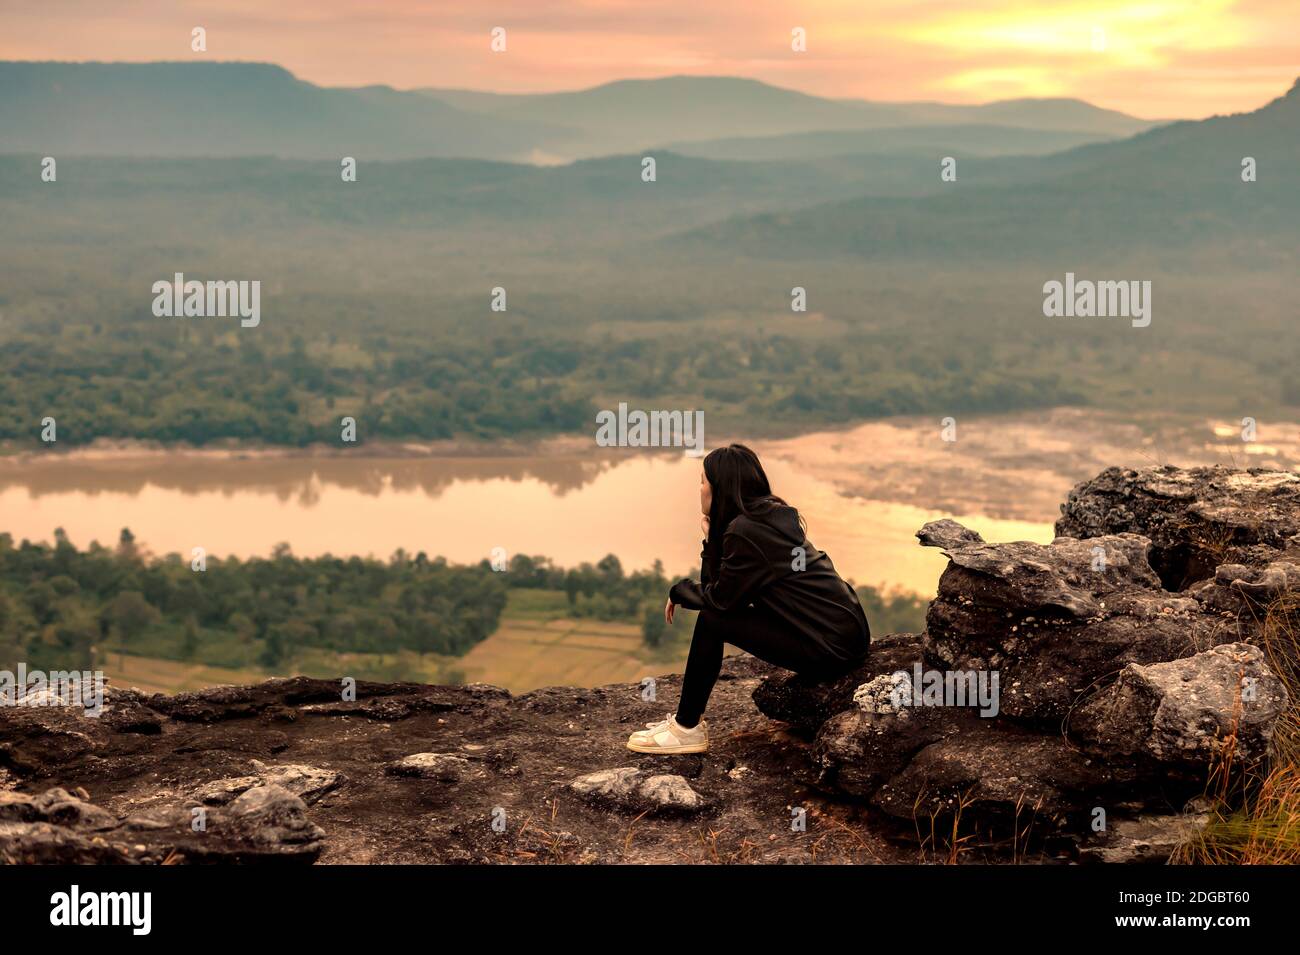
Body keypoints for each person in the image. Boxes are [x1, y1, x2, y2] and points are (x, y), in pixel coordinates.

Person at [627, 444, 871, 754]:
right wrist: (710, 539)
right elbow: (724, 592)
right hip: (845, 637)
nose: (699, 489)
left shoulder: (747, 531)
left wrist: (679, 590)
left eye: (702, 481)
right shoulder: (766, 520)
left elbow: (719, 602)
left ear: (720, 487)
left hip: (829, 646)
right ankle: (685, 726)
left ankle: (686, 728)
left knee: (712, 621)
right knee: (715, 617)